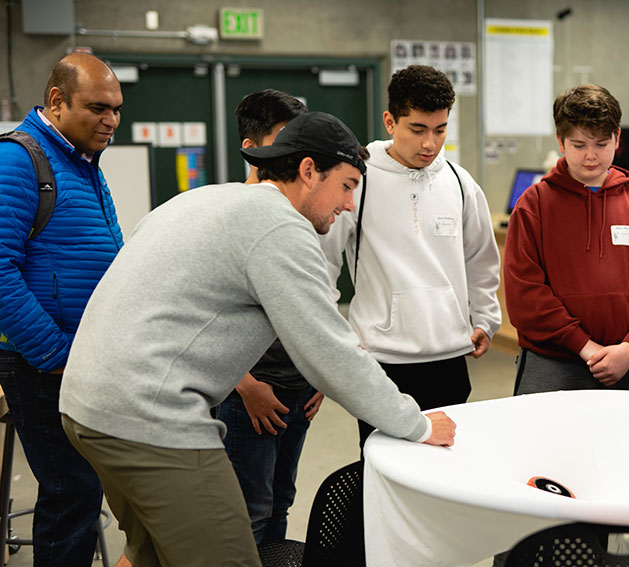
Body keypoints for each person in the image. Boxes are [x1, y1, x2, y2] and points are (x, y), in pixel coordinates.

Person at [58, 111, 456, 567]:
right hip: (150, 415)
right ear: (308, 171)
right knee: (232, 556)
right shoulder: (280, 226)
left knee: (150, 554)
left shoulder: (206, 199)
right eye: (346, 185)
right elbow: (329, 352)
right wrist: (417, 424)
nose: (349, 204)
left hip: (85, 406)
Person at [320, 65, 501, 450]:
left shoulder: (459, 181)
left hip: (450, 357)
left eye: (440, 130)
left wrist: (485, 316)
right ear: (390, 121)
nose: (430, 144)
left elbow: (481, 258)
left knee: (444, 473)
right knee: (384, 472)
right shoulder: (359, 180)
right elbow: (324, 266)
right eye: (417, 129)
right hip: (381, 362)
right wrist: (333, 344)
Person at [0, 52, 123, 566]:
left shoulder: (82, 163)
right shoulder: (19, 161)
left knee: (80, 492)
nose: (111, 120)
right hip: (41, 362)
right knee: (71, 494)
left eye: (117, 109)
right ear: (56, 100)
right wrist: (54, 353)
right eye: (98, 108)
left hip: (78, 359)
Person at [503, 84, 629, 395]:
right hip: (552, 365)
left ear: (618, 139)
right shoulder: (534, 206)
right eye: (579, 145)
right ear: (561, 142)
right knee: (547, 444)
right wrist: (585, 347)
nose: (591, 156)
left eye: (601, 144)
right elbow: (525, 295)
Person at [216, 89, 322, 546]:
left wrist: (319, 375)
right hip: (250, 396)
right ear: (254, 148)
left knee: (281, 502)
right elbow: (213, 317)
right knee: (249, 511)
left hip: (298, 391)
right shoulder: (229, 216)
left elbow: (310, 308)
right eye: (285, 140)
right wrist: (246, 385)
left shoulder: (296, 217)